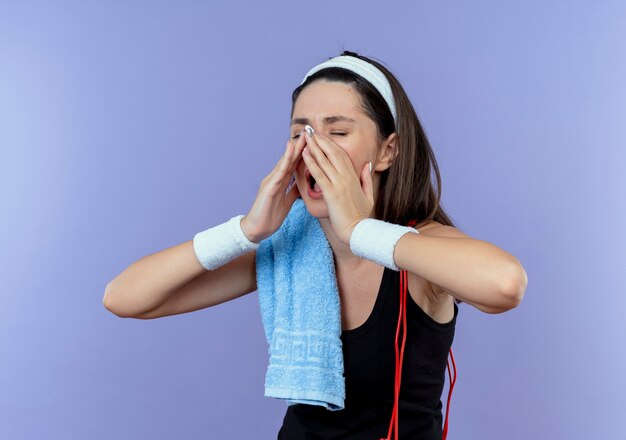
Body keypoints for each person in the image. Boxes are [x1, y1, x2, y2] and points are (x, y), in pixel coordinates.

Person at [103, 50, 528, 439]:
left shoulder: (419, 246)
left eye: (337, 131)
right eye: (299, 133)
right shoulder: (287, 249)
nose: (313, 147)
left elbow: (505, 284)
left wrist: (360, 230)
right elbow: (124, 297)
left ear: (387, 151)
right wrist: (245, 232)